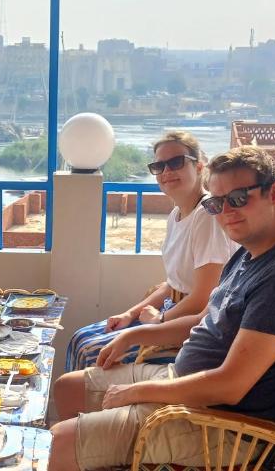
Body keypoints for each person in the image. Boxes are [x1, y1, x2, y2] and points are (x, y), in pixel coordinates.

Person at [48, 146, 275, 470]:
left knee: (55, 443)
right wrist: (136, 334)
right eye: (216, 203)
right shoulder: (250, 251)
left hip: (220, 425)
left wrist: (137, 392)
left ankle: (82, 451)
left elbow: (231, 386)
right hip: (184, 381)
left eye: (239, 198)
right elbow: (204, 318)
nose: (226, 212)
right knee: (67, 388)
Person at [65, 131, 236, 371]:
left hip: (191, 326)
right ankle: (79, 406)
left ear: (199, 166)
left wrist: (159, 321)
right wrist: (129, 314)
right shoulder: (176, 215)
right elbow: (173, 284)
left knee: (90, 351)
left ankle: (87, 401)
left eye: (176, 162)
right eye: (159, 165)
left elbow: (203, 297)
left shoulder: (206, 216)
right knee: (80, 338)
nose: (166, 172)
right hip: (170, 311)